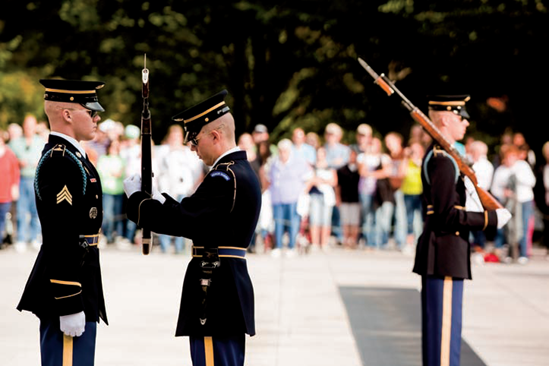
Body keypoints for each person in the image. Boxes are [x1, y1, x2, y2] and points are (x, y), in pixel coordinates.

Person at [124, 89, 261, 366]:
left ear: (215, 136)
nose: (191, 147)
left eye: (195, 139)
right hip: (224, 285)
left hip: (215, 289)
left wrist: (138, 202)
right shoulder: (238, 172)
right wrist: (162, 199)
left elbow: (185, 220)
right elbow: (197, 214)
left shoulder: (225, 176)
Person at [412, 95, 511, 366]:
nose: (466, 122)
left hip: (444, 254)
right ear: (445, 119)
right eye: (460, 116)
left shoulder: (445, 156)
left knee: (443, 339)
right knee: (443, 344)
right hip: (444, 253)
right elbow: (446, 215)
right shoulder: (443, 160)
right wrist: (490, 219)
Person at [17, 79, 109, 366]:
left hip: (83, 278)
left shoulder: (74, 157)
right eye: (90, 111)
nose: (97, 117)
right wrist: (69, 299)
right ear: (67, 115)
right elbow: (61, 233)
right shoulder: (60, 161)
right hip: (68, 286)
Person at [155, 124, 202, 254]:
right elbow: (158, 167)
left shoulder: (187, 152)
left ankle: (179, 247)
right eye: (173, 136)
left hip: (182, 188)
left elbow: (196, 169)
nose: (175, 139)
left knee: (182, 217)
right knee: (164, 217)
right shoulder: (163, 150)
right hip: (167, 188)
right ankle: (164, 246)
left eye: (178, 136)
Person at [266, 138, 313, 257]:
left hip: (293, 198)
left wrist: (303, 192)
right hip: (277, 198)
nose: (282, 153)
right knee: (278, 222)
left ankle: (292, 247)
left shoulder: (298, 162)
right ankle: (278, 246)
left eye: (285, 151)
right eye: (281, 150)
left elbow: (310, 177)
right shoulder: (274, 163)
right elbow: (268, 178)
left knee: (293, 223)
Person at [490, 144, 536, 264]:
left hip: (523, 201)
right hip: (508, 203)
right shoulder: (501, 170)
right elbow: (494, 188)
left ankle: (523, 253)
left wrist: (516, 178)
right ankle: (509, 253)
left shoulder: (522, 166)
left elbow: (532, 181)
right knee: (508, 229)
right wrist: (504, 193)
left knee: (523, 227)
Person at [9, 114, 44, 252]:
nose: (29, 128)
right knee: (21, 211)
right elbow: (8, 159)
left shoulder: (40, 142)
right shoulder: (15, 143)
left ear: (35, 127)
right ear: (24, 126)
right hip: (21, 179)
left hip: (36, 179)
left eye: (31, 125)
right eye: (27, 125)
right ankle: (21, 239)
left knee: (36, 211)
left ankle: (35, 237)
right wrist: (18, 162)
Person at [308, 146, 338, 251]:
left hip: (327, 196)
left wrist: (323, 181)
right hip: (315, 195)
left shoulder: (330, 166)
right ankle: (315, 243)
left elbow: (334, 181)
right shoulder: (313, 166)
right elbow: (311, 180)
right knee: (315, 220)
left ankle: (324, 243)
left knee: (326, 220)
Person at [97, 138, 126, 244]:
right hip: (107, 190)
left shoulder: (121, 159)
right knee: (107, 215)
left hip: (118, 190)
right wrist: (113, 173)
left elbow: (123, 173)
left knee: (118, 214)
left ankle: (116, 235)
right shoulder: (104, 158)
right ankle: (105, 234)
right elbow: (101, 172)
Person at [400, 141, 424, 255]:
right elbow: (402, 173)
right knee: (409, 219)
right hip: (408, 193)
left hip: (421, 194)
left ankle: (421, 242)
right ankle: (409, 243)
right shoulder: (407, 162)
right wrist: (405, 158)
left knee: (422, 220)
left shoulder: (423, 161)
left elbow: (425, 171)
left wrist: (416, 160)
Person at [336, 148, 361, 249]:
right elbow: (338, 186)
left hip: (356, 199)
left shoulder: (360, 170)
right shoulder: (342, 170)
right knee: (345, 221)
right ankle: (346, 240)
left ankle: (353, 240)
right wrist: (338, 198)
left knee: (355, 221)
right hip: (345, 199)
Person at [0, 128, 20, 249]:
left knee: (3, 217)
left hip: (5, 192)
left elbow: (15, 172)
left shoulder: (9, 154)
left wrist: (14, 187)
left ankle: (2, 239)